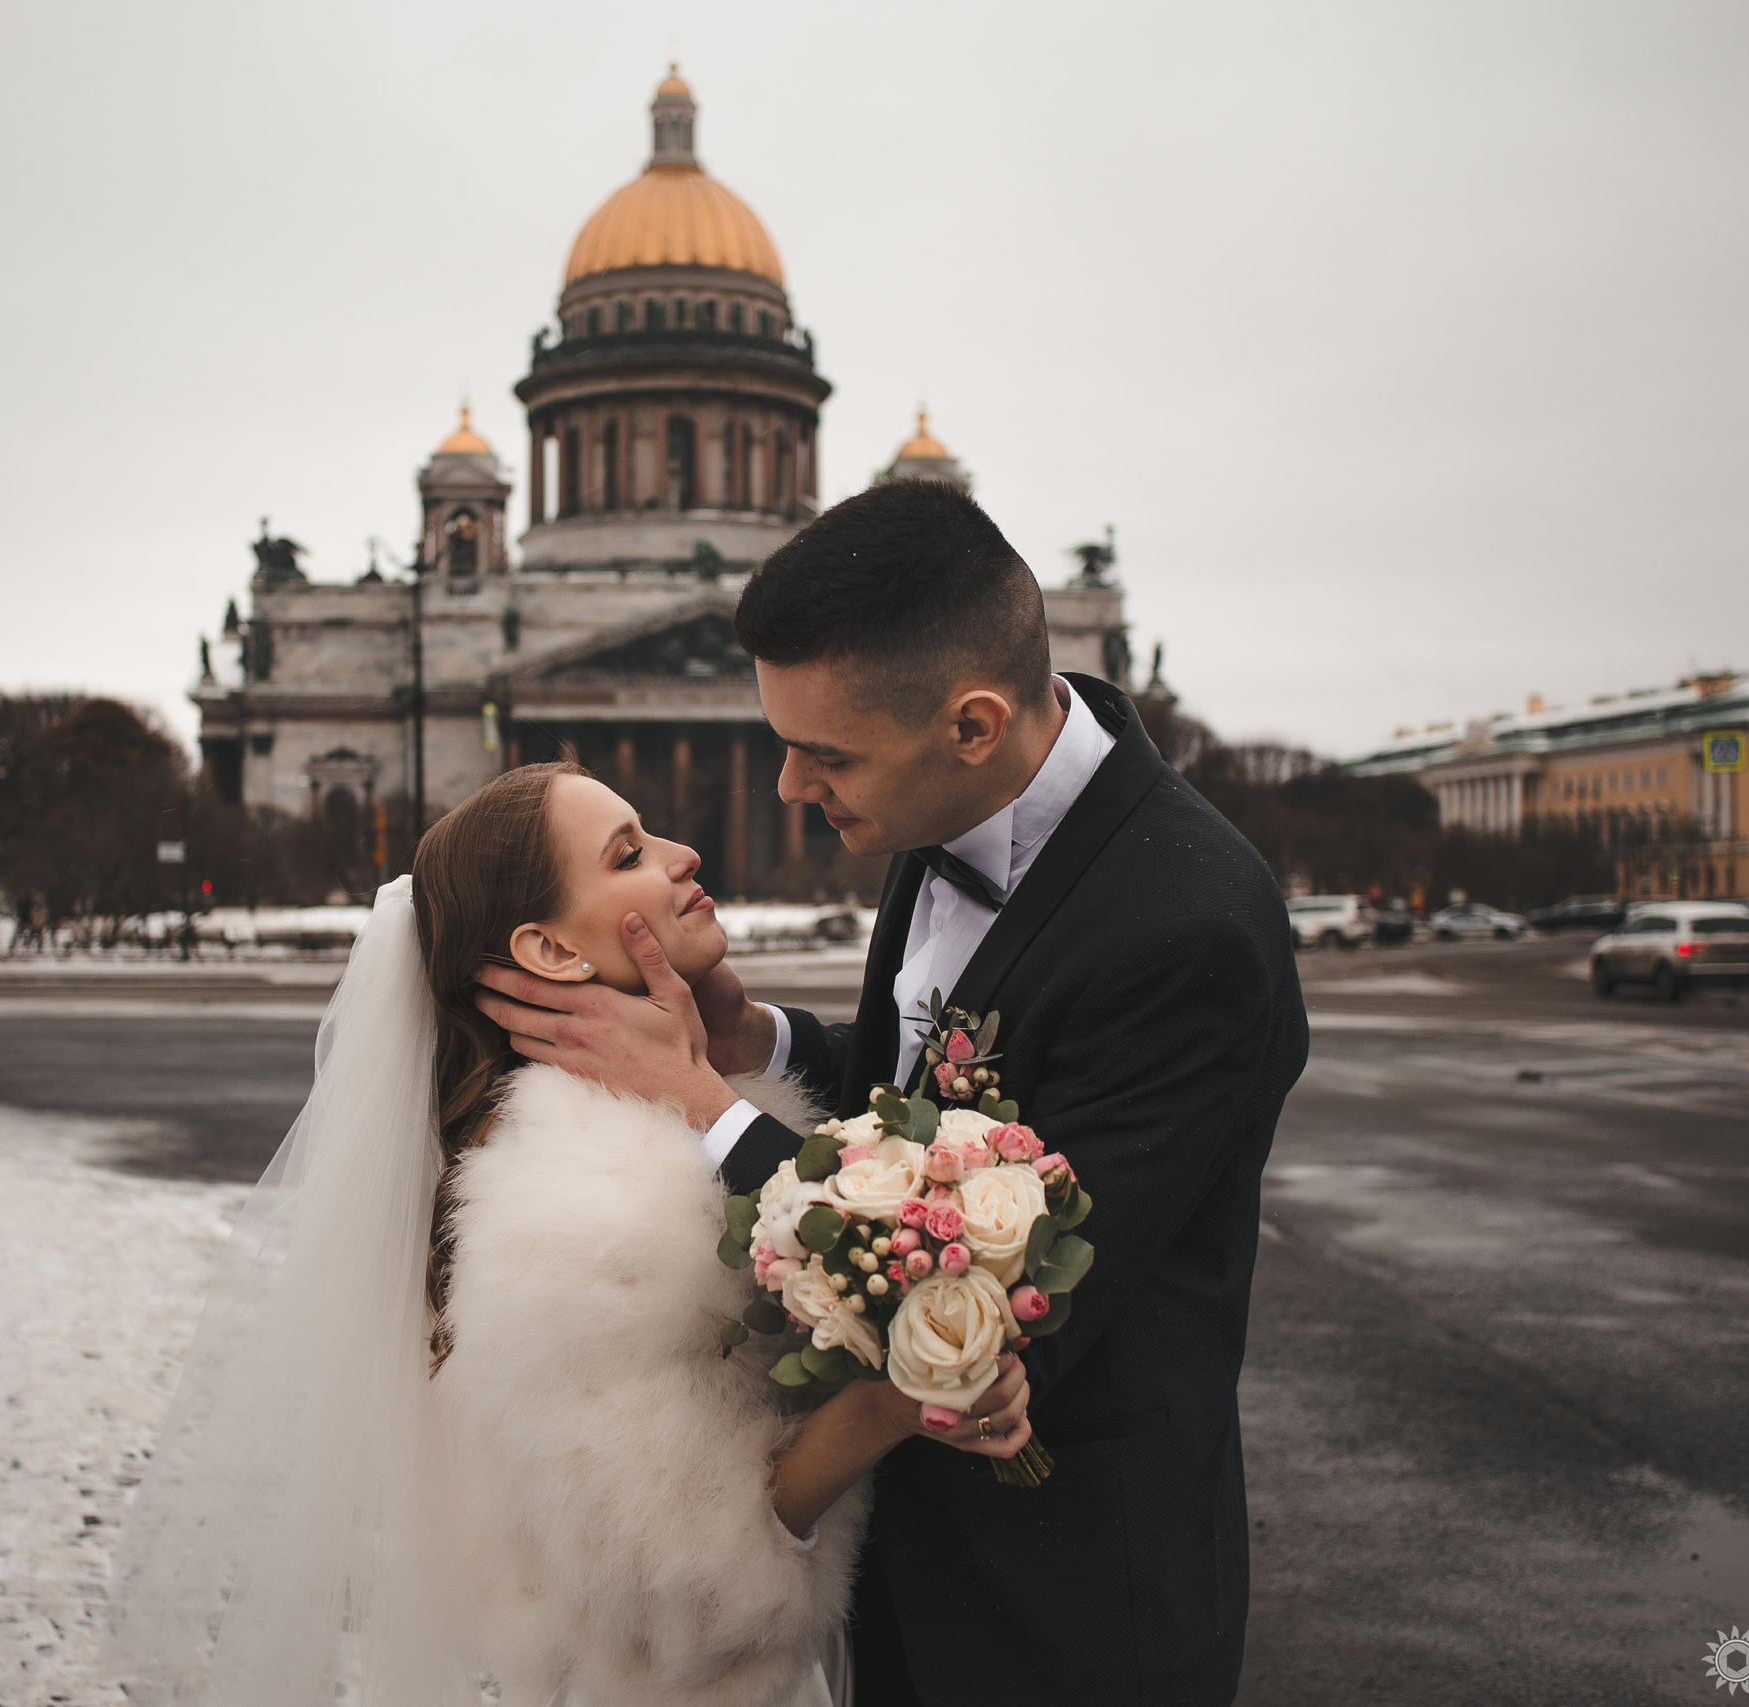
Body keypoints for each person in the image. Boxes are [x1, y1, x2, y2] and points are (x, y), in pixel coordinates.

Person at [476, 479, 1309, 1706]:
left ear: (973, 723)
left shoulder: (1189, 930)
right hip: (892, 1578)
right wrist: (751, 1033)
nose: (786, 791)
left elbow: (1007, 1299)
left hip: (1065, 1606)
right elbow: (916, 1088)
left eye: (824, 756)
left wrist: (704, 1108)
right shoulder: (948, 802)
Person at [106, 762, 1033, 1707]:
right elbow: (694, 1592)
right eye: (630, 853)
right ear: (549, 950)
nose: (685, 854)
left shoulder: (653, 1120)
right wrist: (894, 1397)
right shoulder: (585, 1206)